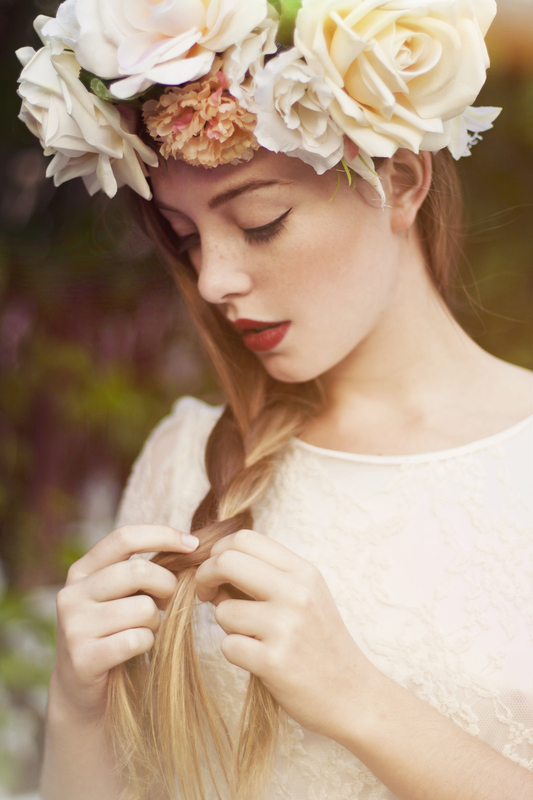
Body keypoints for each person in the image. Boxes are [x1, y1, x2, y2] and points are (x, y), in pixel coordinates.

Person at [15, 1, 533, 799]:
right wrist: (77, 708)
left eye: (261, 222)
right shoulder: (186, 460)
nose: (213, 280)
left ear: (399, 182)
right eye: (186, 238)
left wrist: (358, 702)